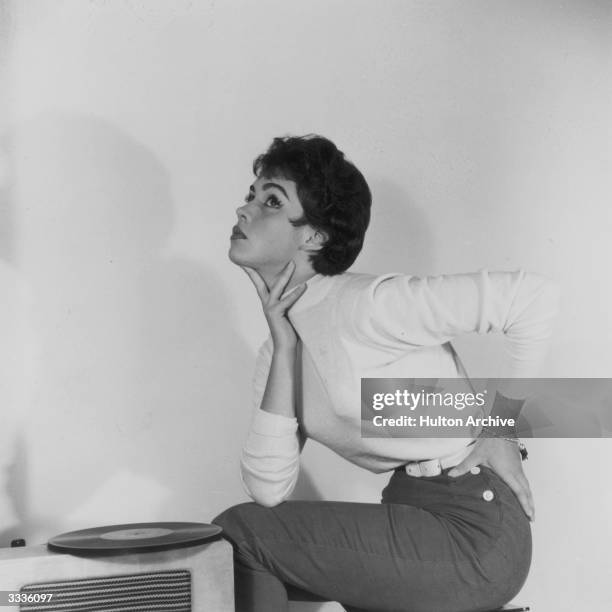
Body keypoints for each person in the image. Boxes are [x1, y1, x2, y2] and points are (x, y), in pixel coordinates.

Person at [213, 135, 559, 612]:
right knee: (236, 542)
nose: (244, 209)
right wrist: (285, 345)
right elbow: (268, 489)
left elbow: (531, 299)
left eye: (271, 200)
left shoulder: (365, 305)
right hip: (410, 513)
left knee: (242, 534)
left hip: (471, 526)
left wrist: (502, 430)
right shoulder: (277, 353)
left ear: (313, 237)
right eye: (250, 195)